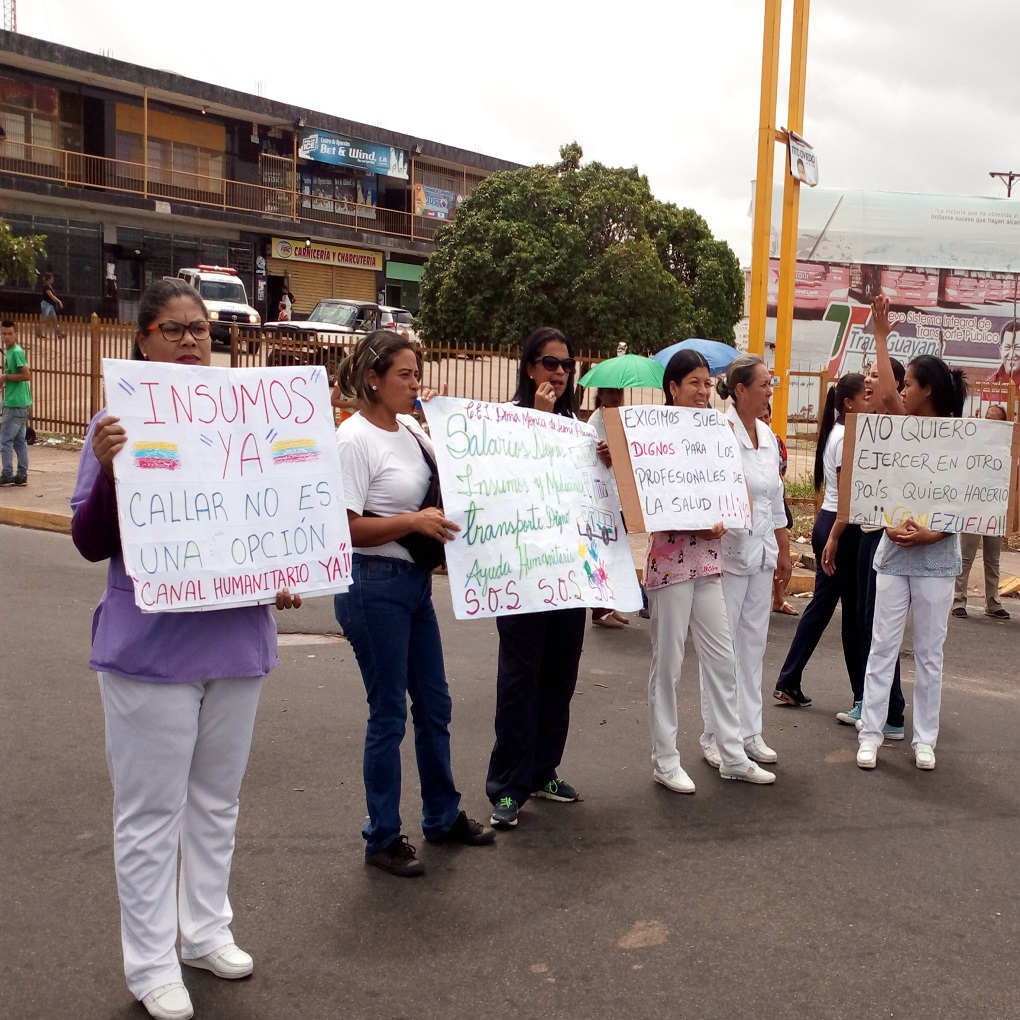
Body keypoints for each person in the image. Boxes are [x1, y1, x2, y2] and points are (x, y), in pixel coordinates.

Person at [71, 278, 302, 1020]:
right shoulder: (116, 424)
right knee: (149, 813)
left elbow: (270, 514)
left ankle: (204, 929)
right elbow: (90, 541)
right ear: (143, 339)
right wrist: (110, 474)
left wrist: (286, 567)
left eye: (201, 329)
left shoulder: (246, 416)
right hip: (151, 649)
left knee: (216, 803)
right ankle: (150, 962)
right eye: (175, 330)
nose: (193, 341)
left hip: (234, 641)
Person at [334, 329, 495, 876]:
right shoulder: (353, 439)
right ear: (373, 380)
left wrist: (450, 428)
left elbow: (448, 478)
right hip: (371, 584)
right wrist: (413, 522)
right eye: (403, 374)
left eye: (416, 374)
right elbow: (346, 527)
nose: (414, 383)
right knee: (388, 715)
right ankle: (382, 835)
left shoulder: (408, 429)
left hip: (413, 586)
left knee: (435, 705)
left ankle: (441, 816)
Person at [486, 327, 614, 827]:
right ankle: (506, 785)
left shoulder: (579, 428)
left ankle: (543, 770)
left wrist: (602, 463)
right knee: (521, 679)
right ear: (529, 367)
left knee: (559, 677)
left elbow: (591, 496)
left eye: (566, 364)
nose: (559, 372)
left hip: (569, 573)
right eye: (549, 363)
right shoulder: (506, 420)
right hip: (521, 573)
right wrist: (537, 422)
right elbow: (498, 486)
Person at [646, 350, 776, 793]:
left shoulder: (715, 431)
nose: (703, 391)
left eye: (706, 383)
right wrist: (699, 521)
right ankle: (665, 759)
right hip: (671, 561)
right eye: (693, 383)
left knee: (723, 659)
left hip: (710, 560)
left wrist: (725, 513)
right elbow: (650, 501)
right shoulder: (654, 433)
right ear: (673, 388)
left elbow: (730, 487)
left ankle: (733, 754)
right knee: (669, 665)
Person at [856, 294, 967, 771]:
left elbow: (970, 504)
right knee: (882, 644)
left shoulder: (962, 440)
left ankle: (925, 739)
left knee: (929, 653)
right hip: (894, 555)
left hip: (937, 560)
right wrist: (881, 337)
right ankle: (871, 733)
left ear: (928, 391)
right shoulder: (899, 427)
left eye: (909, 384)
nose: (900, 390)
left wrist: (932, 535)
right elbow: (882, 396)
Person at [700, 356, 791, 769]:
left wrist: (784, 549)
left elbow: (775, 500)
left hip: (762, 556)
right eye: (764, 385)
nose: (770, 391)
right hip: (729, 554)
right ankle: (715, 735)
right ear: (740, 390)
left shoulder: (769, 437)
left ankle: (749, 731)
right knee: (723, 650)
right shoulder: (719, 432)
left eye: (771, 384)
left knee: (753, 646)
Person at [772, 372, 868, 708]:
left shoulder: (841, 433)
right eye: (865, 396)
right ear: (848, 403)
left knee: (827, 608)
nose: (870, 401)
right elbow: (846, 493)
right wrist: (837, 537)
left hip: (833, 525)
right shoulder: (844, 437)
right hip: (840, 529)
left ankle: (789, 679)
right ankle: (861, 695)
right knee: (852, 615)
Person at [828, 356, 908, 739]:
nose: (869, 381)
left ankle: (891, 712)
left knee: (880, 626)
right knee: (862, 621)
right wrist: (836, 532)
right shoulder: (863, 427)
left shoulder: (898, 423)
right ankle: (869, 701)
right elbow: (852, 490)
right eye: (868, 375)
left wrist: (879, 334)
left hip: (886, 533)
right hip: (865, 528)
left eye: (877, 375)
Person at [953, 404, 1011, 620]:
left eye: (994, 421)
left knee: (992, 559)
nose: (989, 424)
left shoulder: (1006, 448)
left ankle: (993, 603)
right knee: (966, 556)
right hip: (973, 507)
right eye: (987, 419)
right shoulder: (972, 444)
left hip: (994, 509)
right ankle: (959, 600)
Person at [587, 387, 631, 629]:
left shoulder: (620, 419)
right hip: (603, 494)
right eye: (610, 392)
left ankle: (609, 605)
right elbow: (590, 458)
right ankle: (600, 610)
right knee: (603, 551)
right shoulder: (595, 422)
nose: (616, 397)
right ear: (600, 394)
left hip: (619, 493)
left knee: (615, 551)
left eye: (619, 392)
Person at [761, 401, 797, 616]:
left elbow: (779, 477)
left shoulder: (776, 443)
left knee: (776, 550)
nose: (764, 421)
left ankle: (778, 598)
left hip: (774, 500)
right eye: (761, 417)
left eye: (768, 417)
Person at [1, 319, 31, 486]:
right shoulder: (10, 352)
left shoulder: (17, 352)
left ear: (16, 335)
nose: (7, 337)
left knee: (5, 439)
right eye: (4, 334)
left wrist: (5, 377)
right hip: (20, 402)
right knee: (19, 440)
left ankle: (6, 474)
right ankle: (21, 474)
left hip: (15, 403)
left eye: (10, 334)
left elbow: (26, 375)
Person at [37, 271, 66, 340]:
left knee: (54, 319)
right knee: (43, 319)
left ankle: (59, 334)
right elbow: (51, 295)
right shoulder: (46, 286)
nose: (53, 280)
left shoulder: (49, 286)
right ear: (49, 279)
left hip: (50, 305)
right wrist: (59, 301)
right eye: (52, 278)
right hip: (46, 304)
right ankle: (39, 332)